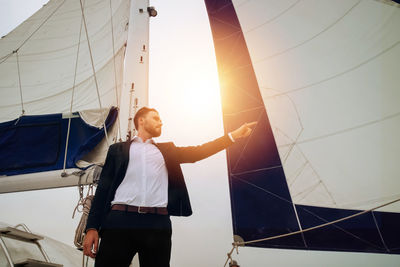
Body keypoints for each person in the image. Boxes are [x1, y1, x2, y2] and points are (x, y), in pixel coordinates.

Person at [83, 107, 256, 267]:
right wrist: (91, 227)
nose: (161, 122)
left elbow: (199, 152)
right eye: (156, 118)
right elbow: (103, 190)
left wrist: (233, 136)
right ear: (141, 120)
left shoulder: (168, 150)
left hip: (157, 225)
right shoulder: (117, 150)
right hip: (119, 221)